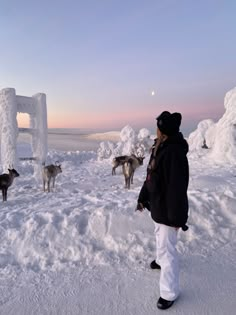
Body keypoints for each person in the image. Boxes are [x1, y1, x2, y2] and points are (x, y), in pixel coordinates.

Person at [136, 111, 189, 310]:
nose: (155, 130)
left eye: (158, 126)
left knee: (169, 251)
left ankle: (169, 292)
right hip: (159, 207)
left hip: (169, 211)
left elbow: (177, 188)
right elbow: (151, 176)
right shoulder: (160, 148)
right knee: (160, 237)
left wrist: (176, 218)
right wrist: (143, 197)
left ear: (163, 129)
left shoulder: (173, 153)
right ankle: (160, 260)